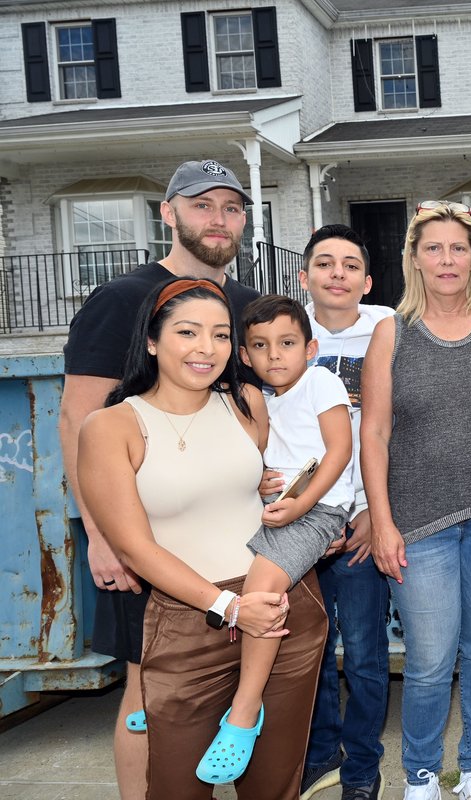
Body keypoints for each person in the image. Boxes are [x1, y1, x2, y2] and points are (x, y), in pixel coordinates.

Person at [76, 277, 325, 799]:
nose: (206, 349)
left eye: (219, 335)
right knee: (176, 788)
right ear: (151, 340)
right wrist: (231, 607)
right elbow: (133, 548)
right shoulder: (111, 426)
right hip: (188, 617)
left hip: (280, 610)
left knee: (275, 786)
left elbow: (266, 486)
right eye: (188, 332)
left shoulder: (246, 402)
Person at [57, 158, 258, 800]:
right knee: (147, 697)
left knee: (233, 701)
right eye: (202, 206)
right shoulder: (122, 301)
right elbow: (77, 417)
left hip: (232, 546)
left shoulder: (248, 307)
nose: (218, 220)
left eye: (230, 207)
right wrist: (101, 534)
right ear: (168, 214)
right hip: (146, 542)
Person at [362, 200, 471, 800]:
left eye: (459, 248)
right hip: (418, 521)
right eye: (434, 248)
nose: (447, 259)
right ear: (415, 259)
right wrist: (382, 522)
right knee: (429, 660)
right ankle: (422, 773)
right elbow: (373, 432)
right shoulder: (391, 333)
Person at [186, 293, 353, 785]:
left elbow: (340, 450)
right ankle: (182, 700)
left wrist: (302, 505)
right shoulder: (261, 400)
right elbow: (263, 458)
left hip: (317, 511)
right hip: (278, 509)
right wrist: (262, 480)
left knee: (259, 590)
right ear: (244, 354)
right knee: (215, 577)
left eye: (286, 343)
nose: (274, 355)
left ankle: (244, 710)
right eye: (260, 345)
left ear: (311, 347)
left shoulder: (321, 382)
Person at [294, 225, 394, 800]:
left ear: (367, 280)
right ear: (305, 275)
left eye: (350, 265)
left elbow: (395, 430)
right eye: (325, 264)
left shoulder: (386, 330)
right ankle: (318, 756)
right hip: (301, 526)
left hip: (361, 521)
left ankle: (362, 766)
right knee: (307, 651)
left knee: (363, 655)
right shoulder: (284, 332)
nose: (338, 274)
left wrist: (376, 514)